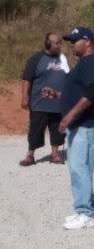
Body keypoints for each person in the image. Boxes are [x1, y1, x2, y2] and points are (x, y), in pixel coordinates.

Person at [42, 27, 94, 230]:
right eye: (70, 40)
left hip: (86, 124)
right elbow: (77, 94)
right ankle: (88, 210)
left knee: (80, 168)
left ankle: (85, 213)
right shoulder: (83, 64)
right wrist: (58, 95)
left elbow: (93, 91)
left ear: (87, 41)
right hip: (81, 123)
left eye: (75, 40)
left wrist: (69, 116)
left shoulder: (93, 63)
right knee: (81, 168)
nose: (71, 44)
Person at [20, 32, 69, 166]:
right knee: (35, 130)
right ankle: (30, 155)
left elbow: (69, 77)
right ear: (48, 44)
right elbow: (27, 78)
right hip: (39, 103)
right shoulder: (36, 58)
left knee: (58, 130)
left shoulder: (63, 59)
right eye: (56, 43)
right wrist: (25, 97)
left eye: (60, 43)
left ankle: (55, 154)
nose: (59, 46)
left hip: (58, 104)